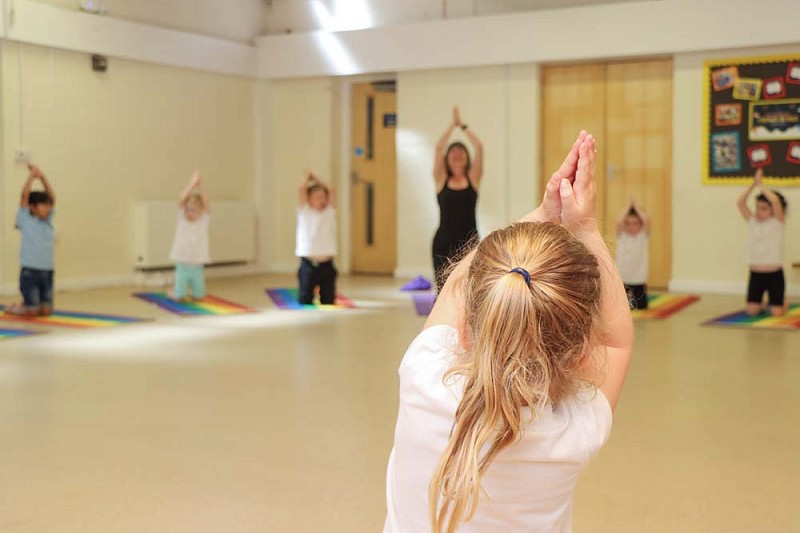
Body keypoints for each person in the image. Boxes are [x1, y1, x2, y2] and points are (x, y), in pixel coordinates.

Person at [384, 132, 634, 532]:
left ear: (465, 329)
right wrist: (584, 228)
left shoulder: (421, 377)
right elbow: (615, 341)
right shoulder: (569, 437)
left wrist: (540, 212)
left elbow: (455, 287)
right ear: (579, 355)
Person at [432, 107, 483, 292]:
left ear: (466, 158)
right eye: (453, 153)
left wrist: (462, 126)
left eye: (461, 153)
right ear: (447, 159)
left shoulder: (473, 179)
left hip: (469, 241)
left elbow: (479, 147)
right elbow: (438, 148)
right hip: (444, 242)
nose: (457, 156)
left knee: (469, 289)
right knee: (443, 289)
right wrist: (451, 126)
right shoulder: (441, 180)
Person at [7, 164, 57, 317]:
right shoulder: (26, 220)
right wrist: (31, 176)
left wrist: (42, 177)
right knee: (32, 312)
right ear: (33, 207)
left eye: (49, 206)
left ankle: (28, 304)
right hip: (30, 272)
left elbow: (52, 197)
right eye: (44, 206)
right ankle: (16, 308)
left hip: (47, 272)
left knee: (46, 311)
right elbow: (24, 197)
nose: (48, 208)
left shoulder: (48, 220)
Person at [737, 168, 788, 316]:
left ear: (773, 211)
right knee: (752, 312)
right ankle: (764, 302)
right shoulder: (753, 221)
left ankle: (781, 302)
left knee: (777, 313)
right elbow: (740, 202)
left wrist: (761, 185)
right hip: (756, 274)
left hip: (774, 275)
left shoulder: (777, 223)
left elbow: (775, 201)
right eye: (757, 208)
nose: (759, 212)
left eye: (764, 209)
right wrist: (753, 185)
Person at [296, 171, 338, 305]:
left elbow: (331, 189)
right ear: (309, 200)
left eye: (323, 197)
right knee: (305, 299)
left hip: (327, 264)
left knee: (328, 300)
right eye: (317, 197)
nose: (322, 200)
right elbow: (302, 190)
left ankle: (326, 297)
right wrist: (308, 179)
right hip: (309, 263)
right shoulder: (305, 212)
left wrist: (319, 179)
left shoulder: (329, 213)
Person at [168, 171, 210, 301]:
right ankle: (174, 292)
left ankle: (192, 291)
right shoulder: (182, 220)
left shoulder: (203, 221)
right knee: (179, 296)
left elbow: (206, 203)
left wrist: (200, 186)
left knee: (199, 296)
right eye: (187, 210)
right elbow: (181, 200)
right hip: (183, 262)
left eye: (193, 210)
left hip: (197, 264)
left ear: (201, 211)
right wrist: (192, 184)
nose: (189, 213)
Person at [615, 200, 650, 310]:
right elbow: (619, 221)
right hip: (623, 277)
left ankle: (632, 300)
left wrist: (636, 208)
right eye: (628, 223)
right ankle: (627, 299)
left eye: (635, 224)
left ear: (640, 225)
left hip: (638, 278)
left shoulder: (642, 236)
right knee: (620, 306)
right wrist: (627, 207)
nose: (631, 227)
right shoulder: (622, 236)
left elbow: (647, 221)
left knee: (641, 306)